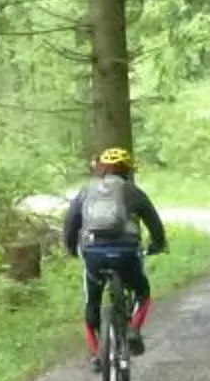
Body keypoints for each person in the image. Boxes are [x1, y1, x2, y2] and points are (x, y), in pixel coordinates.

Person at [62, 145, 168, 358]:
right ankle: (134, 330)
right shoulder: (132, 191)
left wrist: (72, 248)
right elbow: (153, 222)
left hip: (93, 253)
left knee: (92, 302)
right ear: (128, 170)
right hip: (127, 251)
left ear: (101, 169)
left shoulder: (85, 191)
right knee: (143, 293)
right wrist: (158, 244)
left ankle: (95, 354)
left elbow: (70, 223)